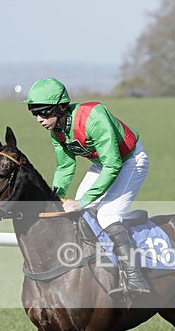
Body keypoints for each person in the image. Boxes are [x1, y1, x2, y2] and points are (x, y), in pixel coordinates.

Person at [24, 77, 150, 295]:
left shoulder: (94, 118)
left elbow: (113, 164)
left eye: (43, 112)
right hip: (104, 163)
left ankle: (135, 278)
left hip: (130, 160)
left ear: (61, 107)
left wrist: (82, 201)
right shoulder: (57, 131)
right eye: (34, 113)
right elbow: (65, 167)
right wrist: (55, 197)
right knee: (80, 215)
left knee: (106, 216)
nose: (39, 119)